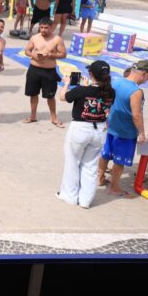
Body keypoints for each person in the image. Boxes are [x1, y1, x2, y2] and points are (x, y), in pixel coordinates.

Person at [57, 61, 115, 208]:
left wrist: (66, 83)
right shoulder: (111, 91)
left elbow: (63, 97)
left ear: (91, 74)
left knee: (73, 163)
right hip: (99, 129)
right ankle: (85, 200)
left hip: (81, 128)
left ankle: (69, 196)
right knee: (90, 165)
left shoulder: (82, 90)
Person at [98, 61, 148, 197]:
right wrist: (142, 133)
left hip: (111, 127)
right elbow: (136, 115)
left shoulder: (116, 82)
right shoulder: (136, 91)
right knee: (119, 161)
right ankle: (114, 187)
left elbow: (107, 102)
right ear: (143, 74)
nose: (147, 81)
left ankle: (100, 178)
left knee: (106, 154)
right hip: (126, 132)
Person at [23, 17, 67, 127]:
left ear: (51, 27)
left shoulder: (57, 39)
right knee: (33, 94)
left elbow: (63, 54)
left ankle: (54, 118)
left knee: (50, 96)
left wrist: (51, 55)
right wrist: (33, 55)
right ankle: (33, 116)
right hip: (34, 70)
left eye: (46, 28)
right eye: (41, 27)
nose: (43, 30)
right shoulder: (34, 37)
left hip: (49, 71)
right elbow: (27, 50)